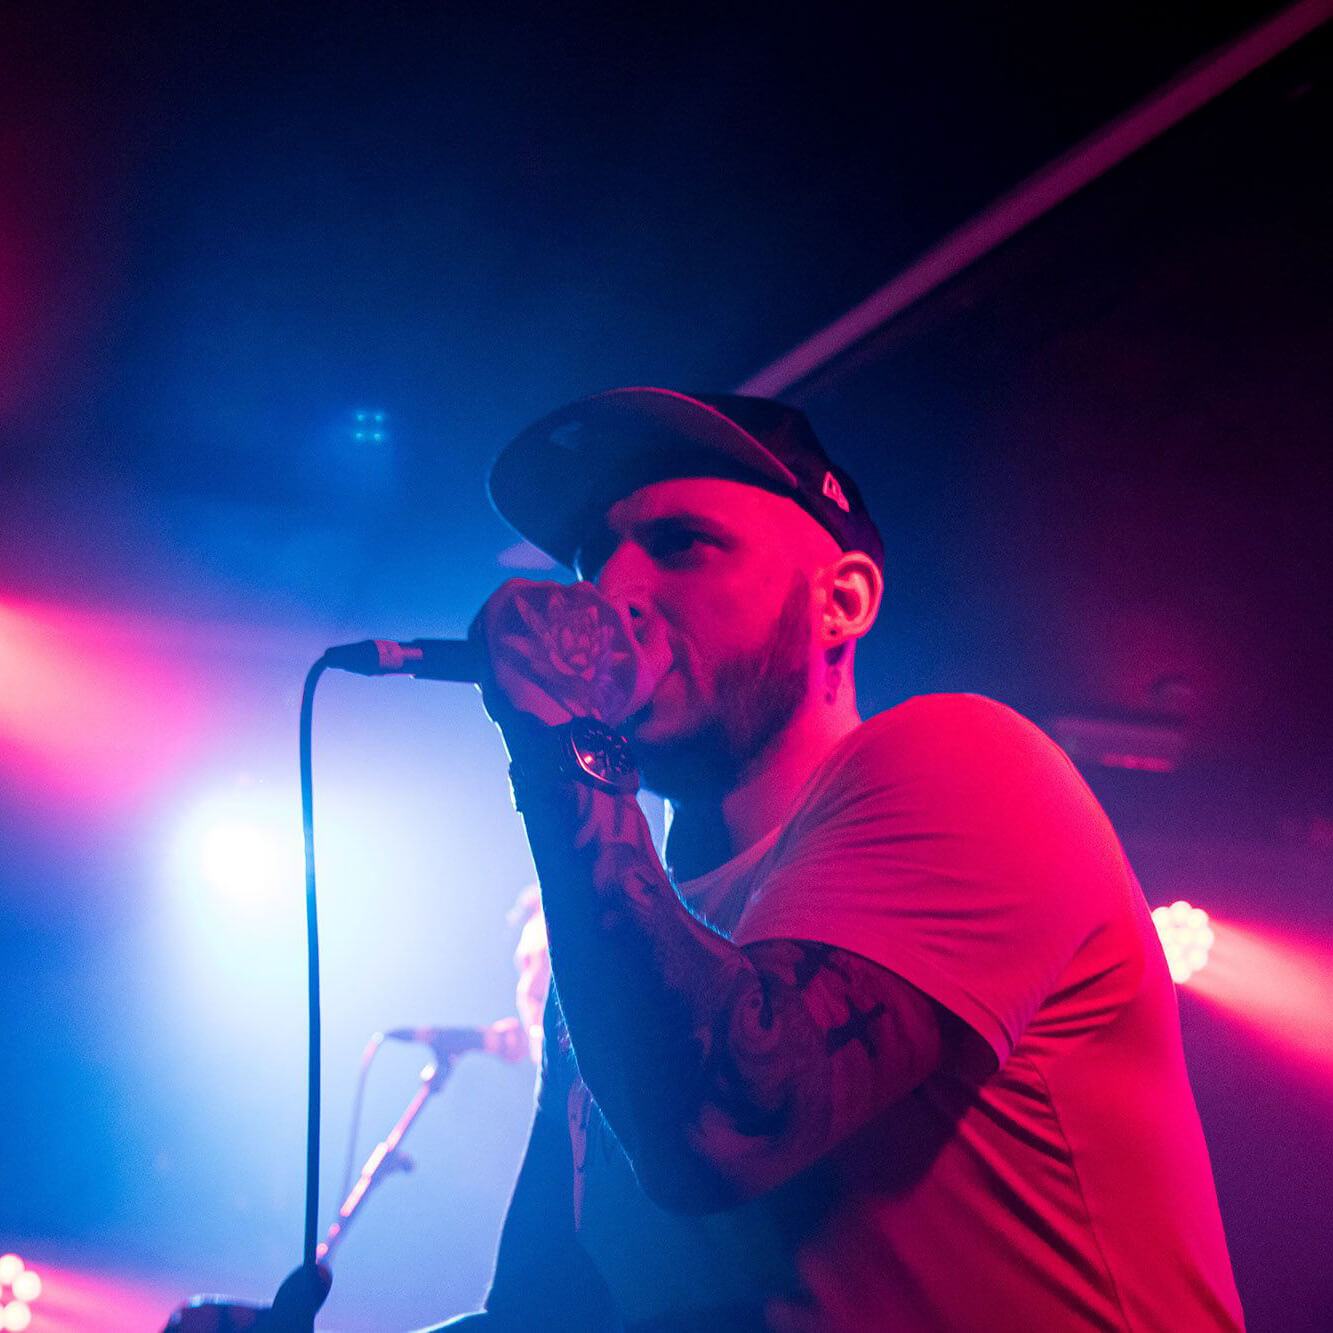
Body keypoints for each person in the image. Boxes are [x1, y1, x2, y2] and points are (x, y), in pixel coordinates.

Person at [434, 389, 1243, 1331]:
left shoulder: (965, 763)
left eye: (681, 543)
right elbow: (544, 1310)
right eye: (589, 558)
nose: (608, 592)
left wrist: (561, 740)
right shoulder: (615, 933)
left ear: (841, 599)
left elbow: (724, 1123)